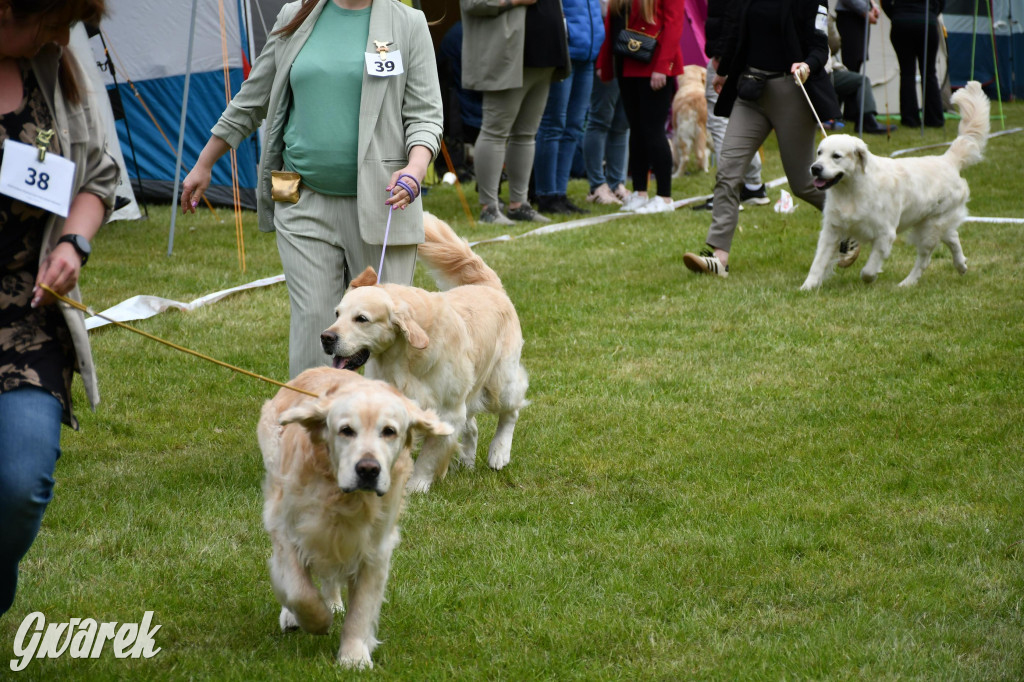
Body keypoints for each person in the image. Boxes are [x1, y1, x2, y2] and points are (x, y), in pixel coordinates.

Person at [181, 0, 443, 379]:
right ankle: (313, 430)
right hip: (299, 198)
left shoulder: (408, 23)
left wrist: (415, 169)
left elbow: (425, 114)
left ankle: (381, 429)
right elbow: (254, 96)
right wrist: (205, 162)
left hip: (384, 203)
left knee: (382, 331)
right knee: (313, 327)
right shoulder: (294, 16)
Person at [0, 0, 118, 616]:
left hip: (25, 316)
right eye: (47, 21)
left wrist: (74, 241)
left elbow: (100, 173)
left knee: (20, 485)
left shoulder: (50, 66)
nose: (56, 36)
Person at [682, 0, 842, 278]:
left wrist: (806, 64)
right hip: (750, 90)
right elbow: (736, 31)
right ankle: (719, 257)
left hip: (791, 91)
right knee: (727, 172)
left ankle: (849, 223)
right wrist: (724, 70)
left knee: (803, 183)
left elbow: (820, 47)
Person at [462, 0, 570, 225]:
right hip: (508, 56)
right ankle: (489, 209)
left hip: (544, 55)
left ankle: (519, 204)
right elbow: (472, 3)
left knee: (526, 133)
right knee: (495, 131)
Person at [596, 0, 684, 215]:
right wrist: (604, 63)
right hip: (627, 62)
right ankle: (640, 192)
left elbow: (674, 24)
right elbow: (613, 23)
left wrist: (662, 66)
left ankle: (664, 197)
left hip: (654, 65)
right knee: (636, 130)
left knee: (653, 131)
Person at [692, 0, 768, 212]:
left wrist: (720, 57)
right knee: (742, 120)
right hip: (748, 54)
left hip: (729, 57)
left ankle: (727, 193)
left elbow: (731, 15)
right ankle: (753, 186)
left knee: (721, 123)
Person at [533, 0, 604, 215]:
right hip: (565, 51)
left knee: (573, 126)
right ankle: (546, 194)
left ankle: (560, 194)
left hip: (588, 53)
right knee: (553, 123)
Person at [881, 0, 944, 128]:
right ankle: (934, 119)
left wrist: (896, 15)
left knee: (906, 73)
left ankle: (910, 119)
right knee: (929, 72)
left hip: (901, 22)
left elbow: (885, 3)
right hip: (927, 22)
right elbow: (942, 3)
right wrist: (931, 14)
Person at [834, 0, 880, 75]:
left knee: (859, 60)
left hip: (861, 17)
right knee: (851, 61)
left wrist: (873, 5)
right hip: (850, 16)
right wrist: (866, 11)